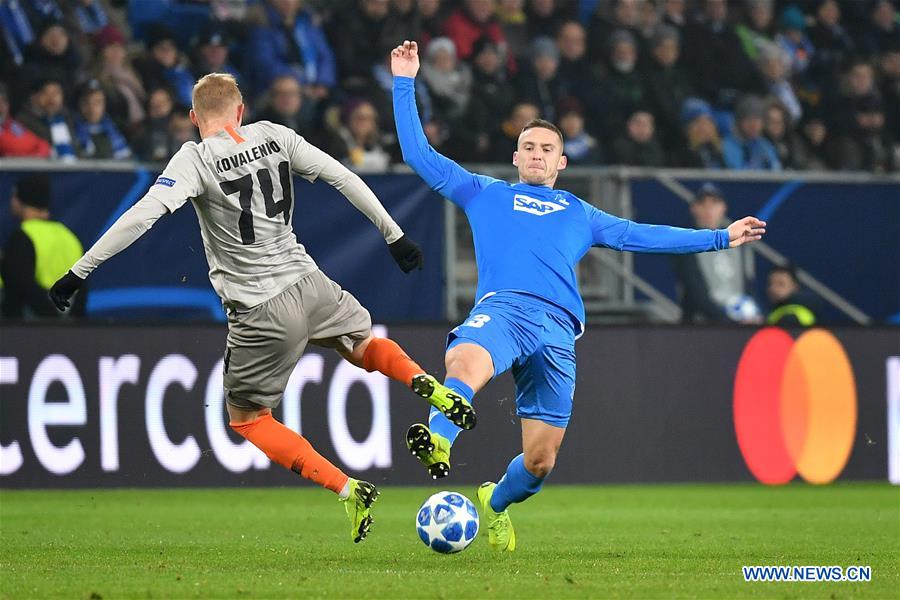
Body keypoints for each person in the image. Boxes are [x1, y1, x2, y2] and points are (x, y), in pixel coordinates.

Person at [47, 72, 476, 544]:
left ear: (193, 118)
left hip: (259, 308)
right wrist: (393, 234)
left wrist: (80, 271)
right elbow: (341, 175)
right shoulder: (275, 135)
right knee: (362, 345)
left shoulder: (195, 157)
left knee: (247, 418)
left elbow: (143, 215)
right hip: (311, 282)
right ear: (241, 110)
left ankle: (347, 487)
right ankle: (428, 384)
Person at [390, 41, 766, 551]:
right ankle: (439, 437)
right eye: (529, 147)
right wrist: (405, 81)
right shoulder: (485, 191)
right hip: (504, 309)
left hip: (558, 330)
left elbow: (642, 235)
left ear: (561, 161)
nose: (537, 155)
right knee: (464, 359)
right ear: (515, 156)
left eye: (547, 148)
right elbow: (417, 154)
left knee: (541, 463)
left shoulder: (579, 212)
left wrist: (720, 237)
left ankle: (495, 502)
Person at [672, 182, 760, 324]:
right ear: (694, 208)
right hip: (703, 326)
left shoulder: (739, 243)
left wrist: (752, 312)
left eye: (714, 204)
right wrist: (728, 320)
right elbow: (695, 292)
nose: (709, 210)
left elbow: (748, 285)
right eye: (703, 204)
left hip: (738, 322)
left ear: (723, 208)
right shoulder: (686, 243)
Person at [1, 175, 84, 318]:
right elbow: (83, 283)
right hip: (69, 324)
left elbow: (19, 283)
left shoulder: (23, 236)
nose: (11, 201)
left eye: (14, 196)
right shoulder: (70, 237)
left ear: (22, 200)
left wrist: (49, 317)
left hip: (31, 325)